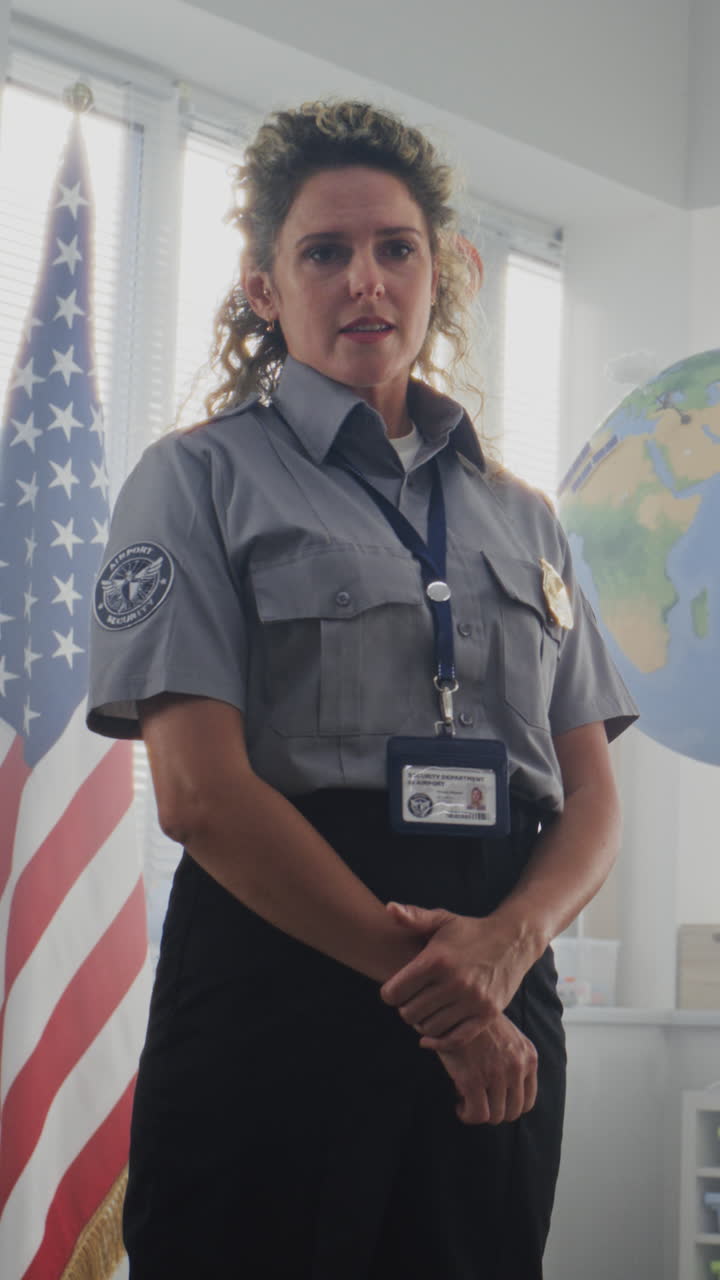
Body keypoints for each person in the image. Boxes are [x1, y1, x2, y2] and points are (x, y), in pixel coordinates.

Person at [87, 100, 638, 1280]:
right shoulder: (193, 479)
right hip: (281, 977)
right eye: (323, 253)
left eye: (396, 247)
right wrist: (451, 998)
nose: (365, 282)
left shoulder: (524, 515)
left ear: (446, 275)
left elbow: (592, 797)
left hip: (502, 960)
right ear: (262, 287)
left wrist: (505, 951)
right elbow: (198, 794)